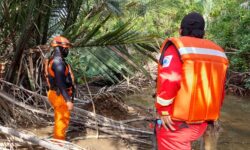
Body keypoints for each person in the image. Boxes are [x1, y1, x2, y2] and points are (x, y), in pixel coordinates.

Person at [155, 12, 228, 150]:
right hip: (203, 123)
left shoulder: (177, 48)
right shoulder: (218, 52)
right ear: (203, 33)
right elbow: (220, 89)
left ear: (180, 30)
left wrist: (163, 110)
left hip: (176, 125)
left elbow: (171, 79)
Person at [46, 36, 75, 140]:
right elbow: (60, 83)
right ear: (61, 48)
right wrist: (68, 100)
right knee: (61, 120)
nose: (67, 50)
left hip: (56, 94)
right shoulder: (58, 63)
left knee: (61, 119)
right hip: (60, 96)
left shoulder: (54, 60)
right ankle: (58, 143)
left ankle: (59, 139)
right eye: (67, 48)